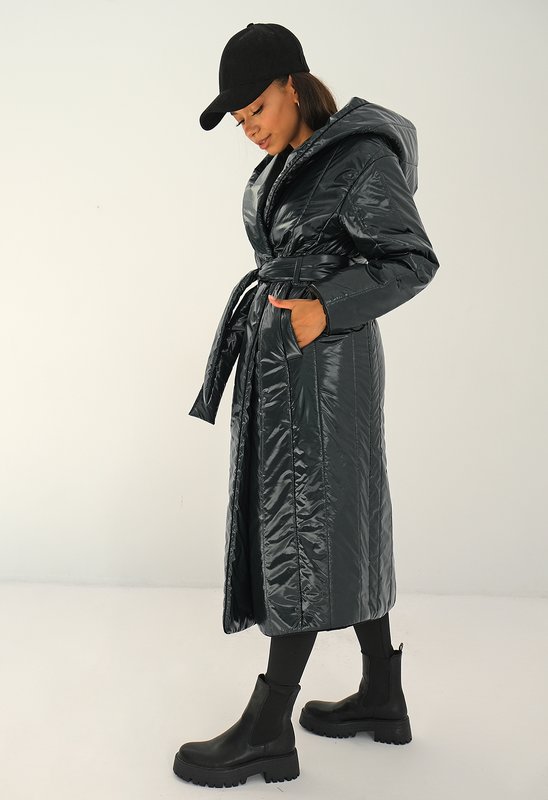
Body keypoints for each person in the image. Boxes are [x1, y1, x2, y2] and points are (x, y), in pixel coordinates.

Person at [174, 22, 440, 788]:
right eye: (239, 120)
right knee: (339, 518)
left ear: (293, 84)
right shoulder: (284, 163)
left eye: (255, 108)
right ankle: (382, 696)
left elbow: (412, 258)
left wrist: (328, 305)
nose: (249, 127)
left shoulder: (357, 157)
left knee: (304, 528)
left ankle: (268, 728)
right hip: (288, 362)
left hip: (325, 365)